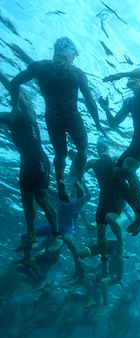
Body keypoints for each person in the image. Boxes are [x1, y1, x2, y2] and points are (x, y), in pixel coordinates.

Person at [8, 37, 106, 202]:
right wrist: (97, 123)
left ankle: (60, 180)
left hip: (52, 117)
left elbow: (14, 83)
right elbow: (90, 100)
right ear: (69, 52)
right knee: (82, 148)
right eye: (74, 54)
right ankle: (79, 180)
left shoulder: (39, 66)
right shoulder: (77, 73)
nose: (74, 57)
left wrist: (15, 105)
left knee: (60, 153)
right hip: (72, 116)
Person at [0, 72, 62, 254]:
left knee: (41, 199)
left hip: (38, 161)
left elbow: (15, 89)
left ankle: (57, 236)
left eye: (25, 97)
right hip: (25, 163)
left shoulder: (29, 113)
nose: (22, 99)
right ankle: (30, 234)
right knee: (26, 201)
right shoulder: (8, 117)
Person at [101, 68, 140, 236]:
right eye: (131, 77)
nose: (132, 78)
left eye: (135, 77)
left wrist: (121, 73)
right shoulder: (129, 102)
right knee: (116, 177)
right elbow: (113, 123)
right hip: (135, 143)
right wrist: (106, 108)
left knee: (127, 167)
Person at [84, 140, 126, 279]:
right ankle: (104, 263)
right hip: (104, 199)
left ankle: (120, 244)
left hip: (118, 197)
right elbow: (79, 172)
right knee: (100, 230)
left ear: (108, 148)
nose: (100, 149)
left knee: (109, 218)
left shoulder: (116, 159)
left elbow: (129, 171)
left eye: (103, 147)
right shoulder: (92, 162)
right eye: (98, 147)